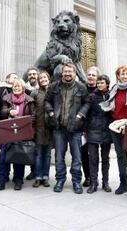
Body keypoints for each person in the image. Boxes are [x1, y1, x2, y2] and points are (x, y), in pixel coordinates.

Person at [45, 62, 90, 194]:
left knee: (77, 157)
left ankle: (76, 181)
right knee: (59, 156)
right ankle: (60, 180)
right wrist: (51, 112)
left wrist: (80, 115)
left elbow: (87, 103)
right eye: (65, 71)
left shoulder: (81, 87)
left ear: (75, 73)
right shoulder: (54, 86)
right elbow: (47, 101)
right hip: (59, 128)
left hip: (75, 128)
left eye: (70, 71)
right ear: (62, 73)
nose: (67, 74)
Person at [0, 79, 36, 192]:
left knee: (19, 155)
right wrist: (9, 111)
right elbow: (2, 111)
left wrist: (23, 120)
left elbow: (34, 117)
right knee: (3, 156)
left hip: (22, 131)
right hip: (8, 131)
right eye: (15, 86)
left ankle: (18, 180)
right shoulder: (6, 98)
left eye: (19, 86)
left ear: (23, 88)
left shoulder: (29, 100)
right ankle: (1, 181)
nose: (16, 88)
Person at [99, 65, 127, 197]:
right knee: (120, 156)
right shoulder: (114, 89)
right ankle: (123, 184)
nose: (125, 76)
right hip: (115, 126)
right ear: (118, 76)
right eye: (123, 74)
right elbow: (111, 107)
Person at [86, 74, 113, 193]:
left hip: (106, 130)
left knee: (105, 158)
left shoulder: (111, 95)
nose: (99, 85)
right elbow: (87, 113)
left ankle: (105, 182)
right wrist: (85, 129)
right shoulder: (92, 96)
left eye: (102, 83)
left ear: (107, 84)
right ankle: (93, 183)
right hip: (93, 129)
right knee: (93, 158)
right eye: (98, 83)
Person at [31, 71, 52, 188]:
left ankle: (45, 177)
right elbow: (32, 109)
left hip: (49, 128)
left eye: (45, 77)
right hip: (38, 127)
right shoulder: (35, 93)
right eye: (41, 78)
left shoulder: (54, 91)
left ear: (48, 78)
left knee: (47, 154)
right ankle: (38, 176)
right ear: (38, 81)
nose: (43, 79)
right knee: (38, 154)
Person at [81, 66, 100, 187]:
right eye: (89, 75)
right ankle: (87, 176)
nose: (91, 77)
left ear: (97, 77)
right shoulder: (81, 89)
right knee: (83, 153)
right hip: (82, 127)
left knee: (94, 154)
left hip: (95, 127)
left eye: (93, 75)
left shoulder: (100, 90)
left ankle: (95, 177)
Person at [23, 67, 39, 180]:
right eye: (30, 74)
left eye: (34, 74)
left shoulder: (43, 88)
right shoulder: (24, 89)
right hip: (28, 123)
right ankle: (33, 171)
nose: (32, 76)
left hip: (41, 124)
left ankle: (40, 172)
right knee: (30, 148)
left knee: (40, 149)